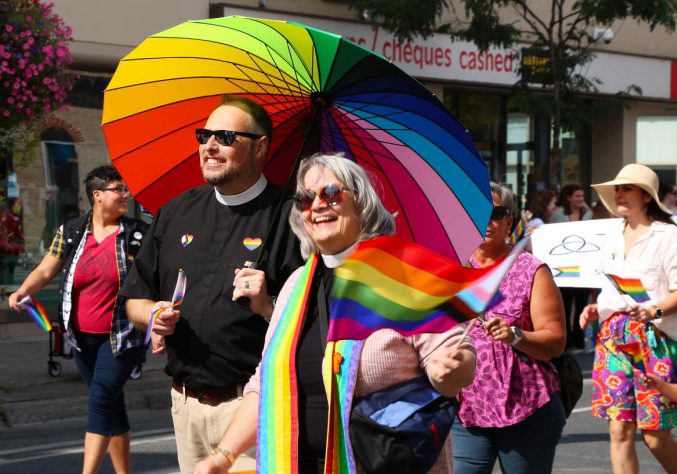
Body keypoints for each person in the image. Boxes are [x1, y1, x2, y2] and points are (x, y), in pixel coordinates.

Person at [193, 153, 477, 474]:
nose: (316, 206)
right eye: (304, 198)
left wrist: (451, 371)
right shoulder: (297, 285)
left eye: (330, 193)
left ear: (362, 204)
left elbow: (459, 362)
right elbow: (265, 384)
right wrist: (223, 455)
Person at [121, 96, 303, 473]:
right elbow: (134, 298)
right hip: (185, 406)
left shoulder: (294, 218)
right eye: (204, 135)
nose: (210, 146)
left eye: (225, 136)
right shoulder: (175, 211)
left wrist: (269, 306)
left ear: (260, 147)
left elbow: (316, 324)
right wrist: (152, 314)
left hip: (254, 408)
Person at [8, 165, 148, 474]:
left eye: (125, 189)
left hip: (123, 336)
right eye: (117, 189)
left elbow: (155, 278)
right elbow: (46, 270)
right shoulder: (70, 232)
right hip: (82, 337)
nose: (125, 195)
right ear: (97, 195)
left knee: (100, 400)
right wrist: (22, 291)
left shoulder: (137, 235)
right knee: (111, 404)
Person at [580, 163, 677, 474]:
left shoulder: (672, 237)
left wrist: (653, 310)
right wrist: (595, 311)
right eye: (617, 188)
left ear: (646, 196)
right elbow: (610, 291)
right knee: (619, 430)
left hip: (655, 340)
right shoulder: (612, 236)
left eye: (627, 188)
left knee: (655, 433)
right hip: (613, 339)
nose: (619, 194)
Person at [452, 182, 567, 474]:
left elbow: (555, 342)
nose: (484, 220)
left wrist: (515, 336)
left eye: (494, 213)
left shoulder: (531, 270)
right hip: (466, 408)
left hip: (526, 408)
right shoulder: (452, 270)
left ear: (509, 222)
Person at [551, 183, 593, 349]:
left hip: (584, 266)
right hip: (564, 266)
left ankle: (579, 337)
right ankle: (566, 339)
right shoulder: (558, 215)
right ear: (568, 198)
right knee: (566, 303)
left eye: (582, 196)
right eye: (577, 196)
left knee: (582, 302)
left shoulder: (588, 214)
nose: (581, 199)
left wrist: (586, 207)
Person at [0, 198, 25, 284]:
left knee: (18, 248)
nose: (19, 207)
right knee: (10, 248)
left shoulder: (17, 218)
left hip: (9, 241)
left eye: (20, 205)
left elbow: (17, 233)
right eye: (17, 205)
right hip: (3, 240)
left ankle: (11, 266)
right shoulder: (5, 215)